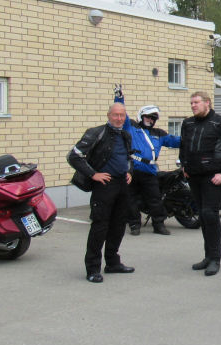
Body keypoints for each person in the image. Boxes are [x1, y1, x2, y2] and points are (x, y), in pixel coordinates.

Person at [67, 103, 135, 283]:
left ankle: (112, 263)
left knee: (118, 226)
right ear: (108, 115)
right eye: (115, 115)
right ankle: (92, 269)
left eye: (122, 115)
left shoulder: (126, 135)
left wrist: (129, 172)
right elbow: (73, 156)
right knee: (100, 227)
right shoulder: (96, 133)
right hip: (104, 186)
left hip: (122, 185)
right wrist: (93, 174)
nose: (119, 118)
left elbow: (128, 157)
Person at [179, 90, 221, 276]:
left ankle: (215, 258)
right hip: (194, 176)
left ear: (207, 103)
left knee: (209, 213)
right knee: (203, 216)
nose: (193, 105)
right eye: (191, 103)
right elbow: (183, 147)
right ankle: (207, 256)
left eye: (196, 102)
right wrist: (184, 166)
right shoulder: (187, 123)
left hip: (214, 177)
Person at [112, 92, 180, 235]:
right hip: (132, 170)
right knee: (130, 199)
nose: (150, 120)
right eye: (148, 117)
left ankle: (159, 225)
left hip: (149, 171)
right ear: (141, 116)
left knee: (155, 199)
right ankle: (134, 225)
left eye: (153, 118)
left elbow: (175, 141)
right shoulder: (131, 127)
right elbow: (122, 114)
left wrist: (193, 135)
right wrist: (119, 98)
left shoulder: (159, 133)